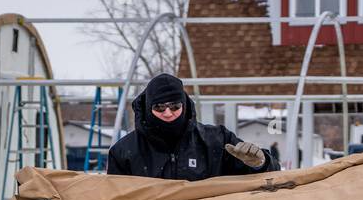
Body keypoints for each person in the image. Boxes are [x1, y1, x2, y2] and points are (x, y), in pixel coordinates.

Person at [107, 73, 280, 179]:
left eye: (174, 106)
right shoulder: (124, 151)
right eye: (159, 107)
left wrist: (260, 163)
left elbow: (270, 176)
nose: (168, 113)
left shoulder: (217, 141)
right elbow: (114, 199)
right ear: (147, 108)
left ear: (184, 106)